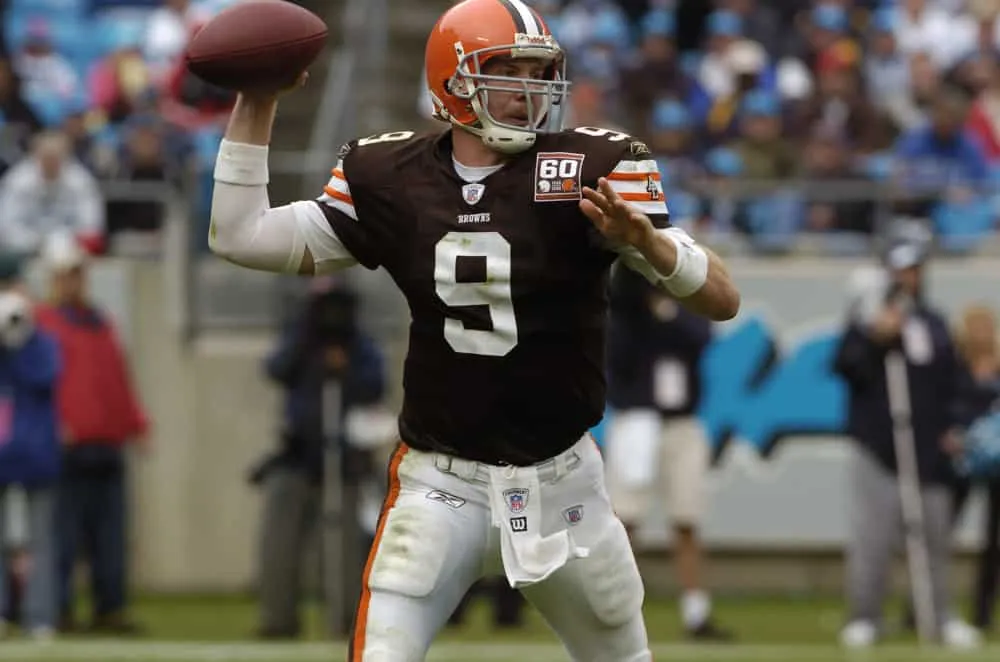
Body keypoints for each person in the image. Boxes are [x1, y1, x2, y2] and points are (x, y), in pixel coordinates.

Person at [207, 0, 741, 659]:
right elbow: (241, 235)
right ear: (450, 83)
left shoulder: (592, 169)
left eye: (538, 73)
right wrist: (257, 99)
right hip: (440, 483)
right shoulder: (390, 177)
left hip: (562, 485)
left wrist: (652, 247)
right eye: (506, 71)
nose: (528, 91)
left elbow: (722, 299)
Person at [833, 228, 980, 649]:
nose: (908, 278)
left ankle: (939, 615)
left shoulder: (933, 324)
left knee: (934, 537)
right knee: (873, 540)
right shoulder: (866, 323)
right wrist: (876, 341)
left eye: (915, 270)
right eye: (901, 270)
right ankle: (865, 617)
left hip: (928, 451)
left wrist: (955, 426)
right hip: (879, 448)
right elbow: (846, 368)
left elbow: (955, 383)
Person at [252, 276, 387, 639]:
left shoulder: (361, 345)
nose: (332, 316)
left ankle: (346, 619)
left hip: (345, 460)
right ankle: (278, 620)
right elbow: (275, 368)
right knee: (280, 540)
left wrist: (346, 368)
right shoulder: (299, 339)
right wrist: (306, 344)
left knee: (346, 544)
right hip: (297, 455)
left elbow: (376, 385)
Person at [604, 264, 732, 641]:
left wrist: (666, 310)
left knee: (687, 518)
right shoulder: (624, 309)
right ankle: (613, 608)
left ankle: (696, 612)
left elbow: (700, 336)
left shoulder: (681, 305)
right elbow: (618, 353)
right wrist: (646, 309)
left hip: (681, 422)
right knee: (625, 521)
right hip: (637, 421)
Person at [33, 233, 149, 635]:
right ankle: (60, 607)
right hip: (66, 446)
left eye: (77, 274)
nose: (73, 282)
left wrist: (135, 425)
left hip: (106, 443)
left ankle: (110, 608)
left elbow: (117, 379)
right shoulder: (43, 324)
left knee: (110, 535)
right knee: (64, 534)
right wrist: (52, 425)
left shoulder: (101, 322)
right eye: (66, 275)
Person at [0, 255, 61, 641]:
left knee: (41, 539)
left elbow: (45, 376)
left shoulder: (43, 342)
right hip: (2, 453)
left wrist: (22, 341)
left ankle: (40, 617)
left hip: (36, 452)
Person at [947, 305, 1000, 631]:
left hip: (997, 463)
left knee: (993, 542)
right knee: (943, 532)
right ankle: (924, 606)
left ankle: (983, 613)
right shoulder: (956, 369)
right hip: (963, 460)